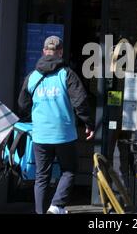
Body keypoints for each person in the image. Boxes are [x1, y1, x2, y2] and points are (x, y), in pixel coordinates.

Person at [18, 35, 94, 214]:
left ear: (44, 51)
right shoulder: (66, 74)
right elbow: (80, 100)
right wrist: (87, 123)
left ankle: (41, 212)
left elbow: (22, 105)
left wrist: (35, 117)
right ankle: (56, 206)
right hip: (64, 134)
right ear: (60, 52)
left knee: (41, 177)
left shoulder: (32, 76)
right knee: (69, 170)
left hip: (40, 135)